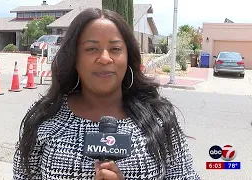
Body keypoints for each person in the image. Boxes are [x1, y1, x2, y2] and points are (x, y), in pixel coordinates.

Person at [13, 8, 201, 180]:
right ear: (74, 58)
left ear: (128, 57)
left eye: (115, 49)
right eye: (91, 49)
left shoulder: (159, 116)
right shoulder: (44, 118)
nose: (104, 58)